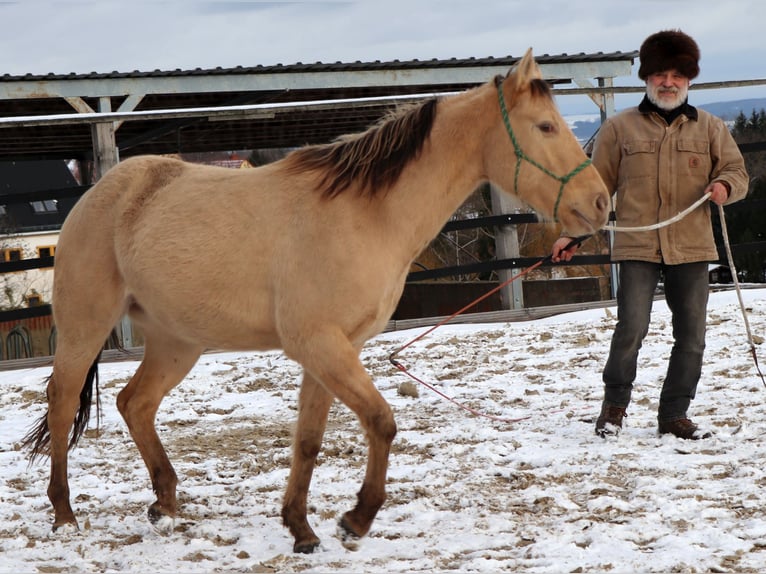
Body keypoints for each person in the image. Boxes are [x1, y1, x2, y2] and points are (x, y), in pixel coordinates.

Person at [552, 29, 749, 440]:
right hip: (637, 246)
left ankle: (674, 415)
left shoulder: (711, 128)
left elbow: (736, 172)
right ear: (647, 77)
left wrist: (725, 187)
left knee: (692, 338)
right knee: (631, 329)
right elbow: (596, 190)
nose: (668, 82)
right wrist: (573, 235)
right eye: (660, 73)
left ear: (689, 80)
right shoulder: (618, 128)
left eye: (677, 74)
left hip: (693, 248)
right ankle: (613, 410)